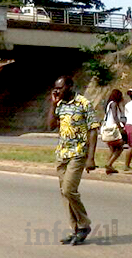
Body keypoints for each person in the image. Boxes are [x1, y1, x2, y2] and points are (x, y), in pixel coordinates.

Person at [47, 76, 99, 246]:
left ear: (69, 86)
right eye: (55, 88)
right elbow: (51, 126)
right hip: (62, 154)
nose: (57, 91)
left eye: (60, 87)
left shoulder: (83, 103)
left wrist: (91, 158)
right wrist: (53, 104)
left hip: (78, 153)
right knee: (64, 192)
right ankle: (76, 229)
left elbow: (93, 130)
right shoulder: (60, 104)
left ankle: (84, 225)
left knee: (69, 189)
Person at [101, 89, 125, 174]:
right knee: (120, 148)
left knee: (112, 148)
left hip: (107, 127)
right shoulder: (114, 104)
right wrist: (120, 127)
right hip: (113, 128)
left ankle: (109, 166)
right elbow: (115, 116)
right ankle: (109, 164)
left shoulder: (108, 104)